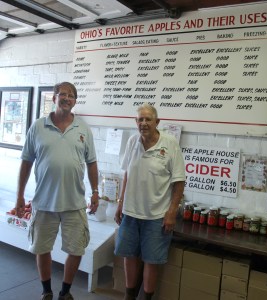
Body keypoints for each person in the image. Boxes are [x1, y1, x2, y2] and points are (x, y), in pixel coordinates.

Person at [15, 82, 99, 300]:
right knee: (42, 248)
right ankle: (46, 291)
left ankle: (65, 291)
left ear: (75, 101)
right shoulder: (38, 127)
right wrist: (20, 195)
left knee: (77, 249)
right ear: (54, 98)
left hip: (74, 203)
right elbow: (26, 162)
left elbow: (92, 163)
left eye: (71, 96)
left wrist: (96, 191)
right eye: (63, 94)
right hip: (44, 202)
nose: (67, 98)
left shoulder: (83, 129)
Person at [114, 103, 185, 300]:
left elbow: (179, 181)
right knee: (129, 256)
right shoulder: (132, 142)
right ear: (136, 122)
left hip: (157, 216)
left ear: (157, 122)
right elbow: (127, 174)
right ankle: (129, 297)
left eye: (148, 119)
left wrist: (172, 212)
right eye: (140, 119)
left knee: (151, 261)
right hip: (130, 212)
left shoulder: (169, 143)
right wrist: (121, 203)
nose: (144, 123)